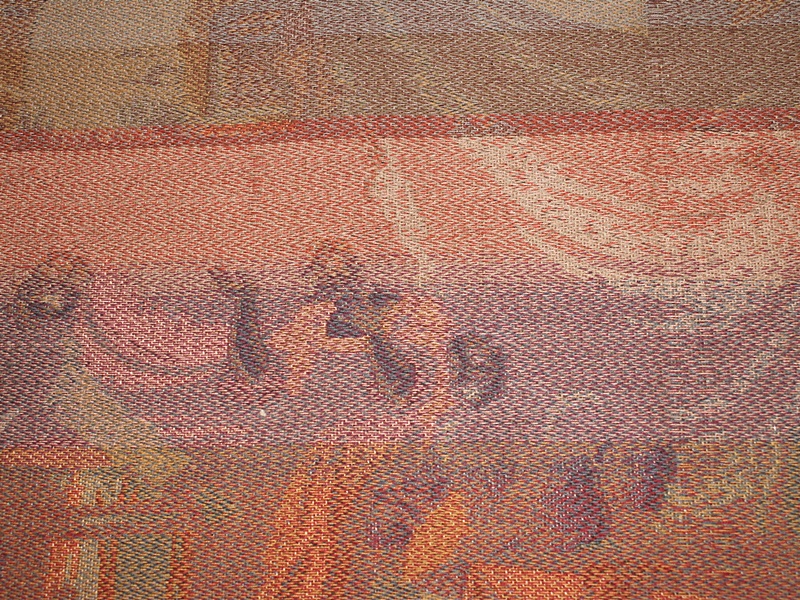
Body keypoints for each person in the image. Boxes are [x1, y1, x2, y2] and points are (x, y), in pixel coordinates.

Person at [257, 239, 456, 599]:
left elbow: (408, 388)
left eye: (342, 272)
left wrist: (375, 334)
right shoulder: (314, 319)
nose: (331, 283)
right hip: (332, 453)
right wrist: (245, 302)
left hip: (395, 449)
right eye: (322, 275)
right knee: (310, 536)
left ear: (360, 273)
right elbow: (267, 371)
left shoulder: (409, 312)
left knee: (370, 542)